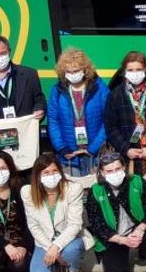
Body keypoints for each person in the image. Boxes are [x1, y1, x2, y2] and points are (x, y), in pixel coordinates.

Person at [84, 151, 146, 272]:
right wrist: (122, 240)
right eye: (109, 171)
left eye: (118, 169)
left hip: (137, 229)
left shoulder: (137, 181)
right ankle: (123, 253)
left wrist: (140, 228)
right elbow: (96, 224)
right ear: (102, 173)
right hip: (115, 236)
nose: (115, 173)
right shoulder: (96, 191)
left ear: (124, 167)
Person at [21, 152, 88, 272]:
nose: (51, 175)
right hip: (45, 241)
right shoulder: (28, 192)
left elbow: (75, 224)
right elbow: (33, 226)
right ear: (38, 176)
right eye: (46, 172)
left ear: (60, 172)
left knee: (71, 250)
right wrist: (51, 249)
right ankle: (58, 264)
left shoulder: (72, 189)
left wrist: (57, 246)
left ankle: (75, 271)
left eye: (54, 171)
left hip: (69, 238)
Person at [103, 51, 146, 194]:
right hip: (128, 157)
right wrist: (126, 149)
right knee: (132, 198)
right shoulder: (115, 95)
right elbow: (111, 127)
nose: (135, 73)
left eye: (138, 69)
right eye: (130, 70)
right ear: (124, 71)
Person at [46, 48, 108, 178]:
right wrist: (61, 147)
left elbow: (107, 120)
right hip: (69, 156)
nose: (72, 74)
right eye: (68, 71)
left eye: (76, 71)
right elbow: (53, 120)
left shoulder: (100, 88)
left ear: (85, 69)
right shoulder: (57, 91)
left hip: (94, 155)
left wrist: (94, 148)